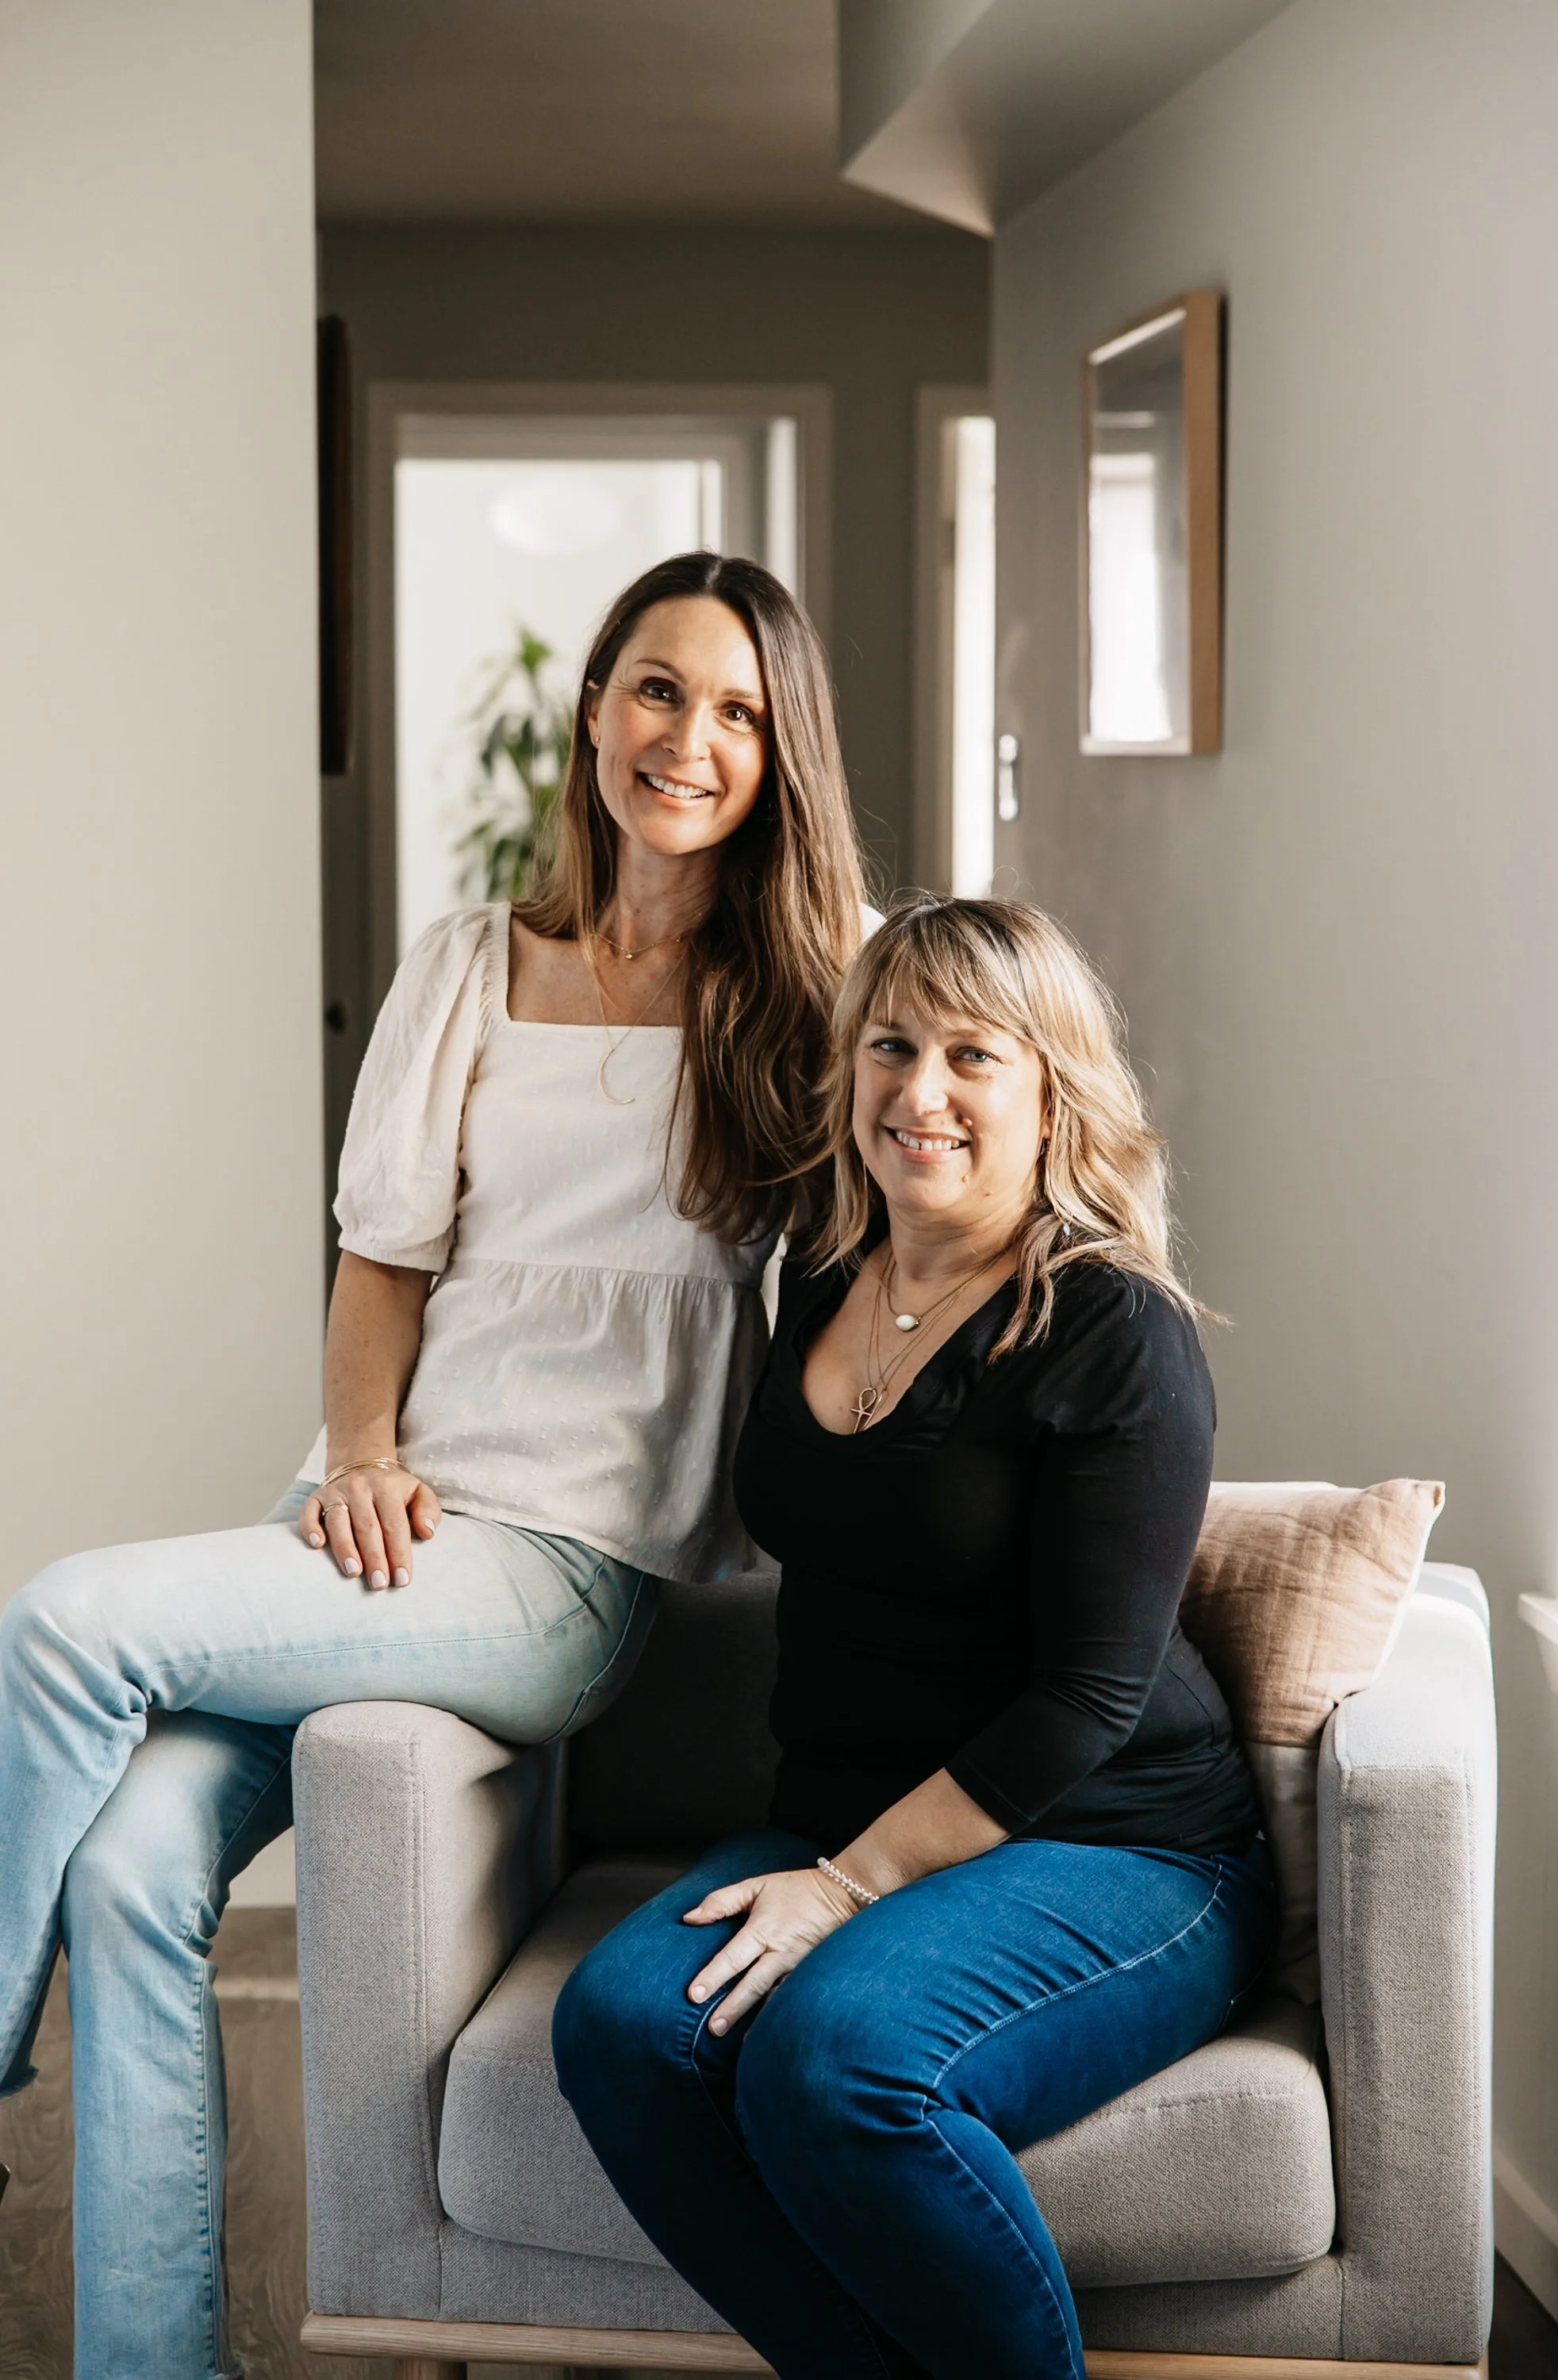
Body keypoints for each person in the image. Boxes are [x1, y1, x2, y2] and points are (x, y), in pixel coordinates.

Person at [0, 551, 871, 2380]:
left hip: (559, 1573)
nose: (686, 738)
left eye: (733, 710)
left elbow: (952, 1128)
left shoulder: (806, 1005)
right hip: (377, 1526)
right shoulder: (476, 964)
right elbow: (381, 1263)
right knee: (131, 1871)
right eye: (654, 687)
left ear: (781, 752)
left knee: (65, 1622)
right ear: (592, 707)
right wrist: (359, 1451)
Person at [554, 896, 1277, 2380]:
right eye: (890, 1046)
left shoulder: (1112, 1329)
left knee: (837, 2066)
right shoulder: (819, 1270)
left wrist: (844, 1887)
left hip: (1115, 1845)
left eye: (972, 1056)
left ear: (1050, 1090)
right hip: (838, 1818)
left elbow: (1087, 1694)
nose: (918, 1092)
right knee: (622, 2028)